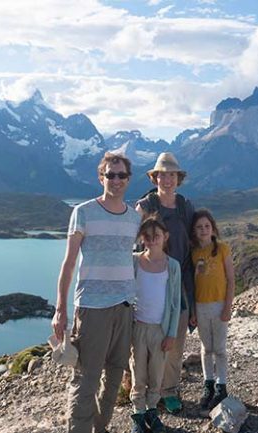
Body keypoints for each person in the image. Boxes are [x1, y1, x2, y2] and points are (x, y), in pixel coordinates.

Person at [52, 152, 141, 433]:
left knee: (115, 374)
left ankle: (100, 427)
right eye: (110, 174)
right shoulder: (83, 212)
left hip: (125, 305)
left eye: (121, 175)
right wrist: (59, 309)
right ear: (101, 176)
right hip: (92, 307)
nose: (116, 180)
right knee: (87, 377)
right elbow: (68, 263)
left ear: (128, 179)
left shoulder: (133, 218)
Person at [135, 152, 195, 414]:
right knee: (147, 338)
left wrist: (192, 299)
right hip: (150, 276)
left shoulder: (185, 207)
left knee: (175, 339)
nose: (167, 179)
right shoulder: (146, 205)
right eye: (162, 174)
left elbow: (191, 249)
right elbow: (131, 237)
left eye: (172, 175)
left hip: (177, 278)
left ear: (178, 179)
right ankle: (146, 391)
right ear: (155, 177)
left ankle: (169, 391)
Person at [129, 215, 181, 433]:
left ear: (165, 237)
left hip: (160, 329)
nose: (152, 241)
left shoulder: (172, 266)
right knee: (138, 372)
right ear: (142, 239)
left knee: (156, 373)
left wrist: (171, 334)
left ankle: (152, 410)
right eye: (148, 237)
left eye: (156, 236)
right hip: (138, 327)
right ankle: (138, 414)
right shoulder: (134, 261)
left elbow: (176, 303)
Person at [190, 209, 235, 410]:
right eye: (199, 227)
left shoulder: (223, 249)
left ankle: (222, 386)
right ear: (194, 230)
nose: (203, 230)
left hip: (219, 305)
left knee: (220, 348)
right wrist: (192, 311)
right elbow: (191, 283)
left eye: (206, 226)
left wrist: (228, 306)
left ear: (213, 228)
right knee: (206, 348)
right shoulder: (193, 253)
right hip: (200, 305)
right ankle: (208, 384)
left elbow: (231, 279)